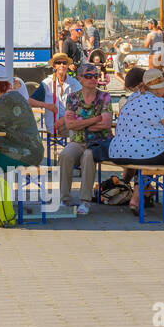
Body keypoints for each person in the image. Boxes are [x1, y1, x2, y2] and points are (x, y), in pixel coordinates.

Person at [108, 68, 164, 219]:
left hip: (118, 152)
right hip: (143, 152)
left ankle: (136, 199)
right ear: (157, 87)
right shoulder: (158, 101)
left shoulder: (133, 97)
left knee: (153, 155)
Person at [56, 62, 114, 213]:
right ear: (80, 79)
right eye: (88, 76)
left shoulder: (104, 96)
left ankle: (85, 200)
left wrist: (79, 122)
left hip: (99, 142)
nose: (93, 78)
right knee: (65, 155)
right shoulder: (72, 97)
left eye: (95, 75)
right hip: (78, 141)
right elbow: (69, 126)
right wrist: (95, 119)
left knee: (88, 156)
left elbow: (106, 124)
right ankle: (64, 199)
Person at [31, 54, 79, 135]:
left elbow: (83, 104)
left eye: (64, 63)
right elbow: (30, 101)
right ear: (54, 66)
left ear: (68, 65)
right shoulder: (47, 83)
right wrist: (47, 106)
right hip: (55, 124)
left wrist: (64, 119)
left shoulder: (74, 83)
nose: (62, 65)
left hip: (72, 120)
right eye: (59, 63)